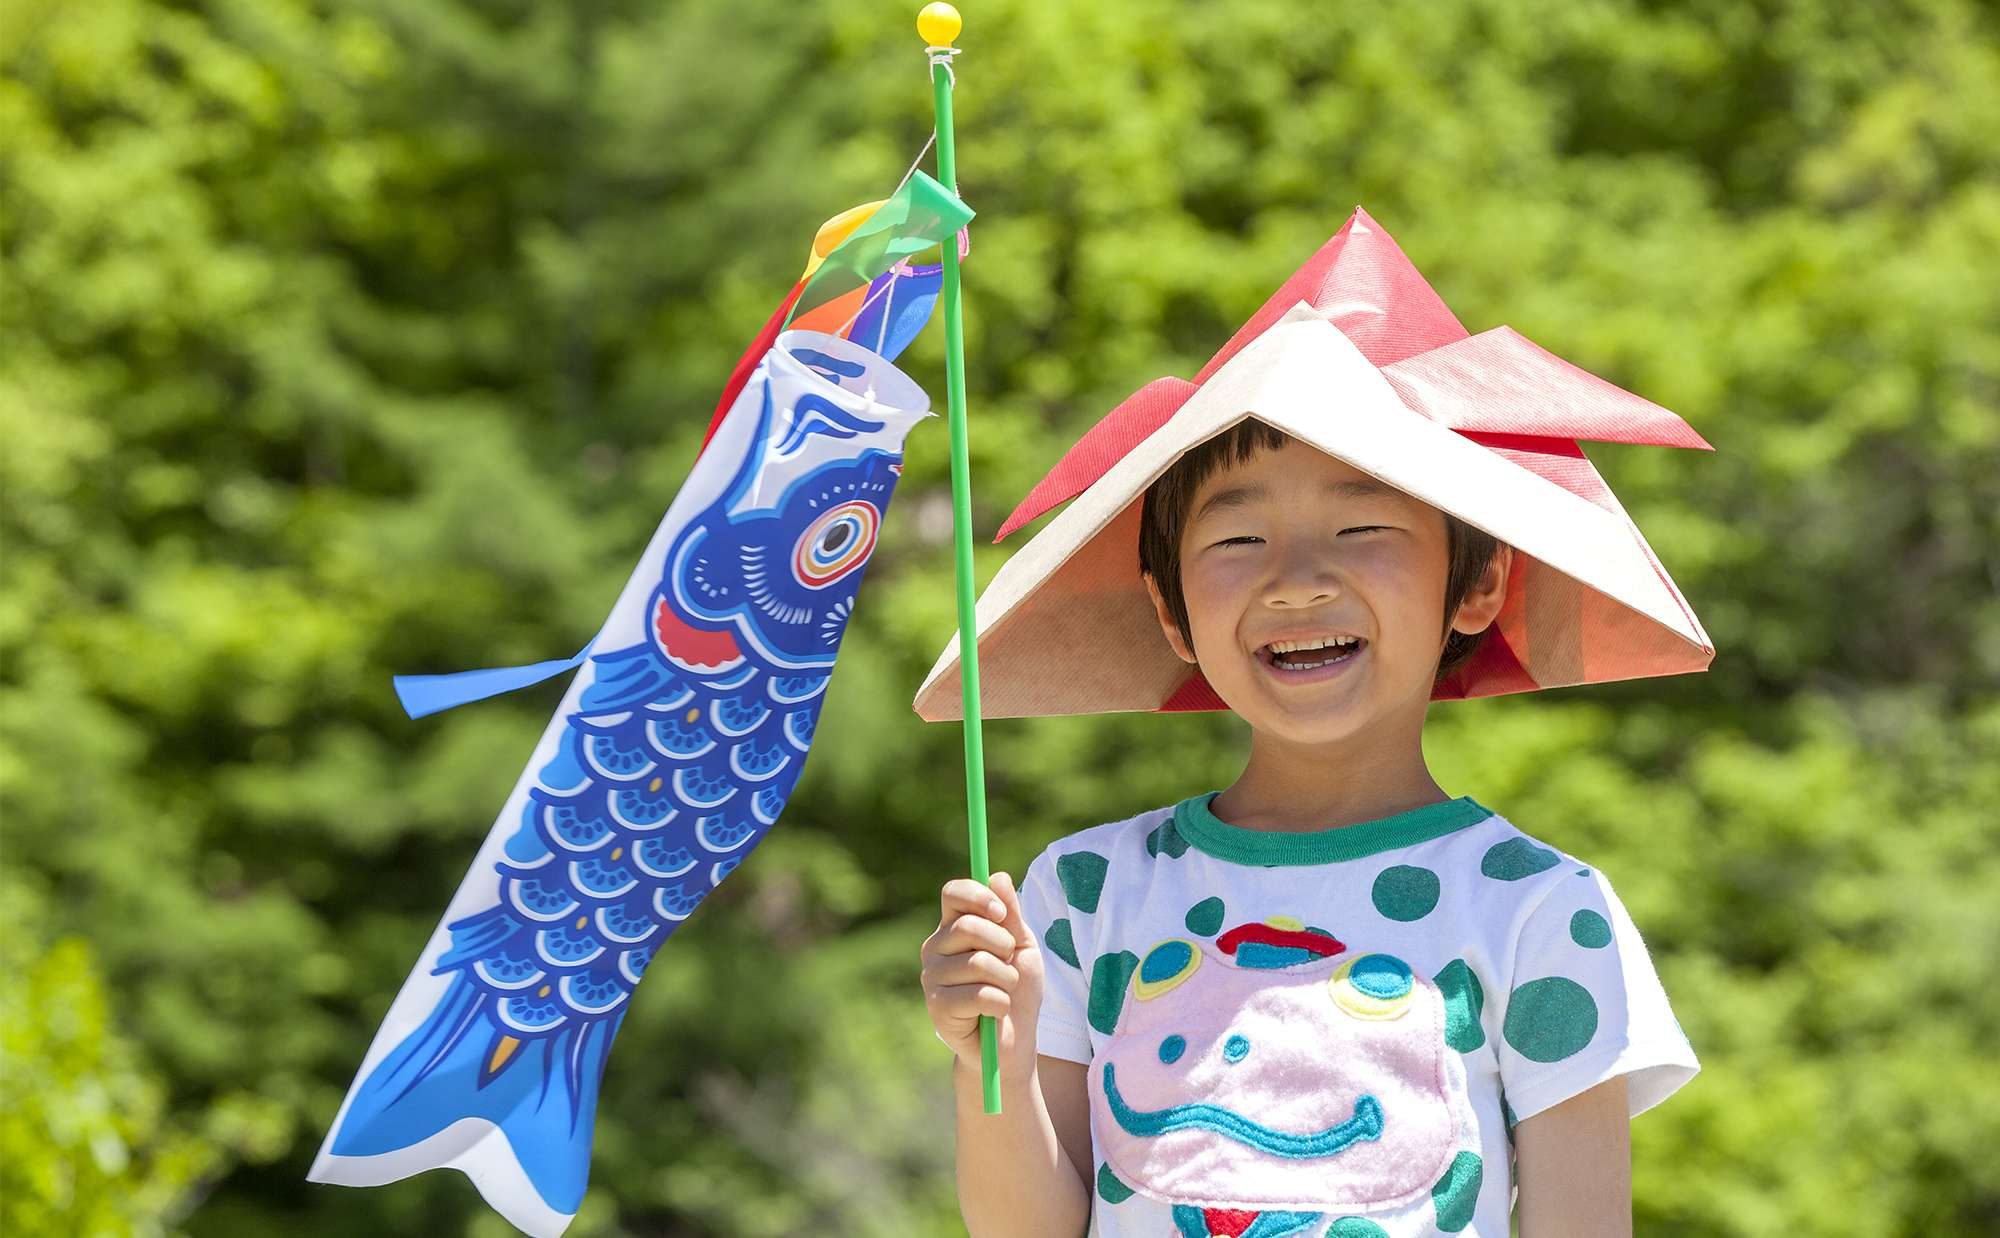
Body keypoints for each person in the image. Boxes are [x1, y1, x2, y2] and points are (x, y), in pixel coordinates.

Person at [915, 208, 1711, 1238]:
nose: (1296, 580)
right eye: (1237, 536)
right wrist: (996, 1055)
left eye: (1363, 526)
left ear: (1475, 583)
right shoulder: (1082, 894)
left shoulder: (1541, 910)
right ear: (1171, 610)